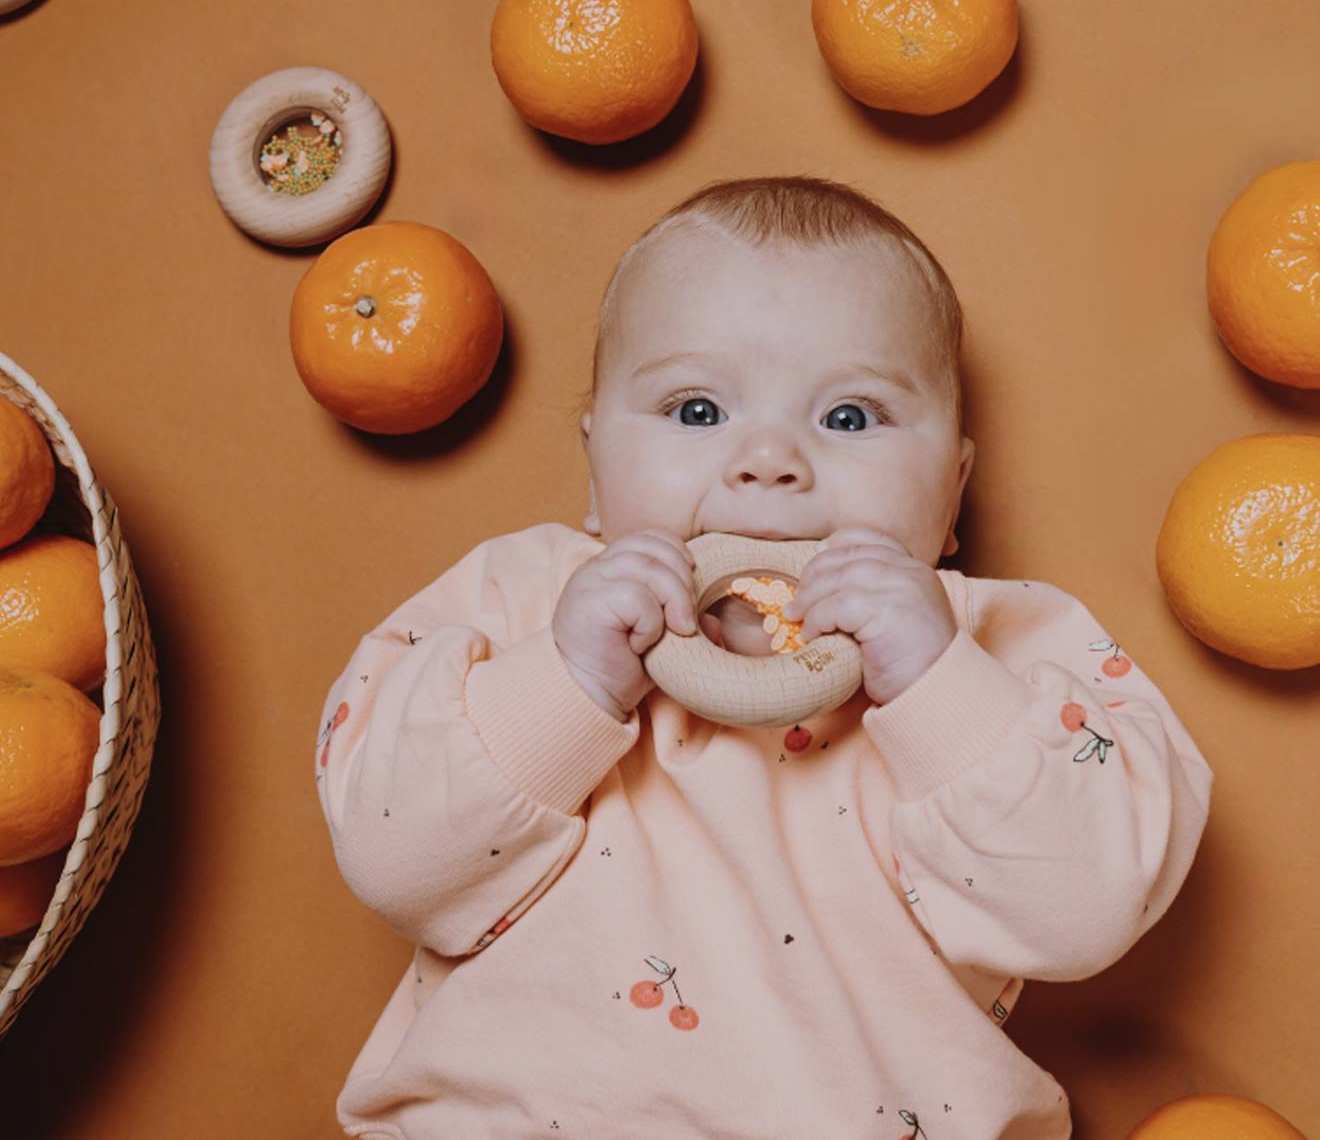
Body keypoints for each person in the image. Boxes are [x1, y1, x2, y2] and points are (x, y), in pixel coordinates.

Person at [314, 175, 1213, 1139]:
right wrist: (566, 683)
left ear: (952, 494)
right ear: (593, 470)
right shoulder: (521, 599)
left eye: (851, 417)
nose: (770, 460)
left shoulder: (1003, 643)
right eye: (698, 412)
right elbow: (392, 860)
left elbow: (1082, 913)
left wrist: (938, 686)